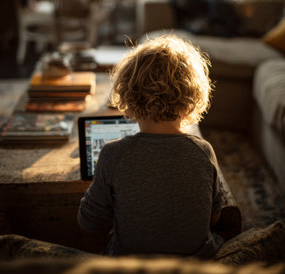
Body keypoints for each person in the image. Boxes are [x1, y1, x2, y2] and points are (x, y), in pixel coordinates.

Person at [78, 35, 223, 258]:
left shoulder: (113, 154)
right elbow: (213, 218)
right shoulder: (203, 152)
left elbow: (88, 222)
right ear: (192, 97)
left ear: (128, 96)